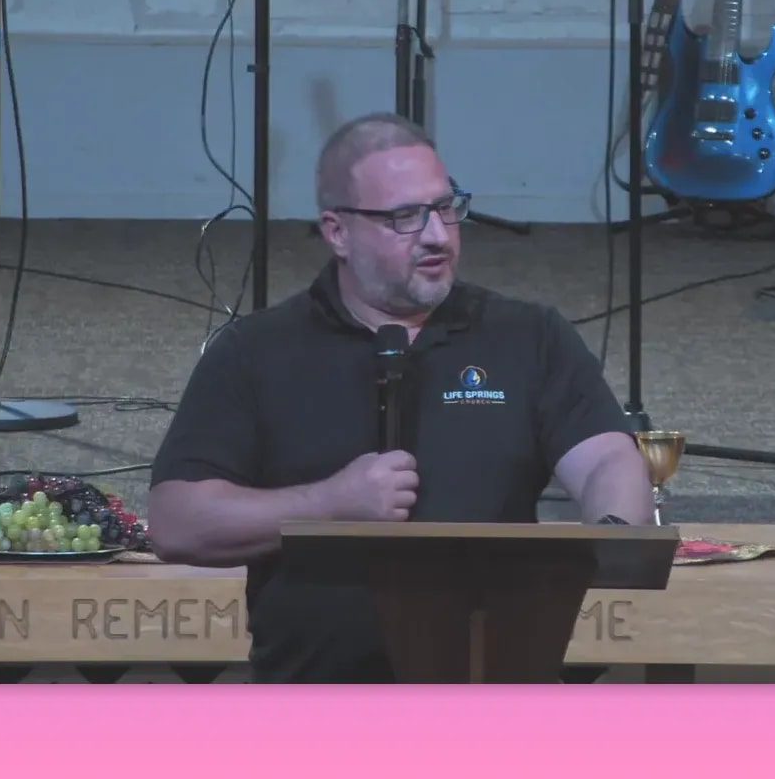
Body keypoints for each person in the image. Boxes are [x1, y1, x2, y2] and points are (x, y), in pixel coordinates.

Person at [148, 111, 656, 682]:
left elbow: (608, 459)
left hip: (491, 701)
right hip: (317, 709)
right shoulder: (257, 351)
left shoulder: (526, 335)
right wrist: (327, 505)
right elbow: (177, 520)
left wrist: (614, 539)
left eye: (445, 207)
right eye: (405, 217)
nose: (438, 235)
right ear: (337, 231)